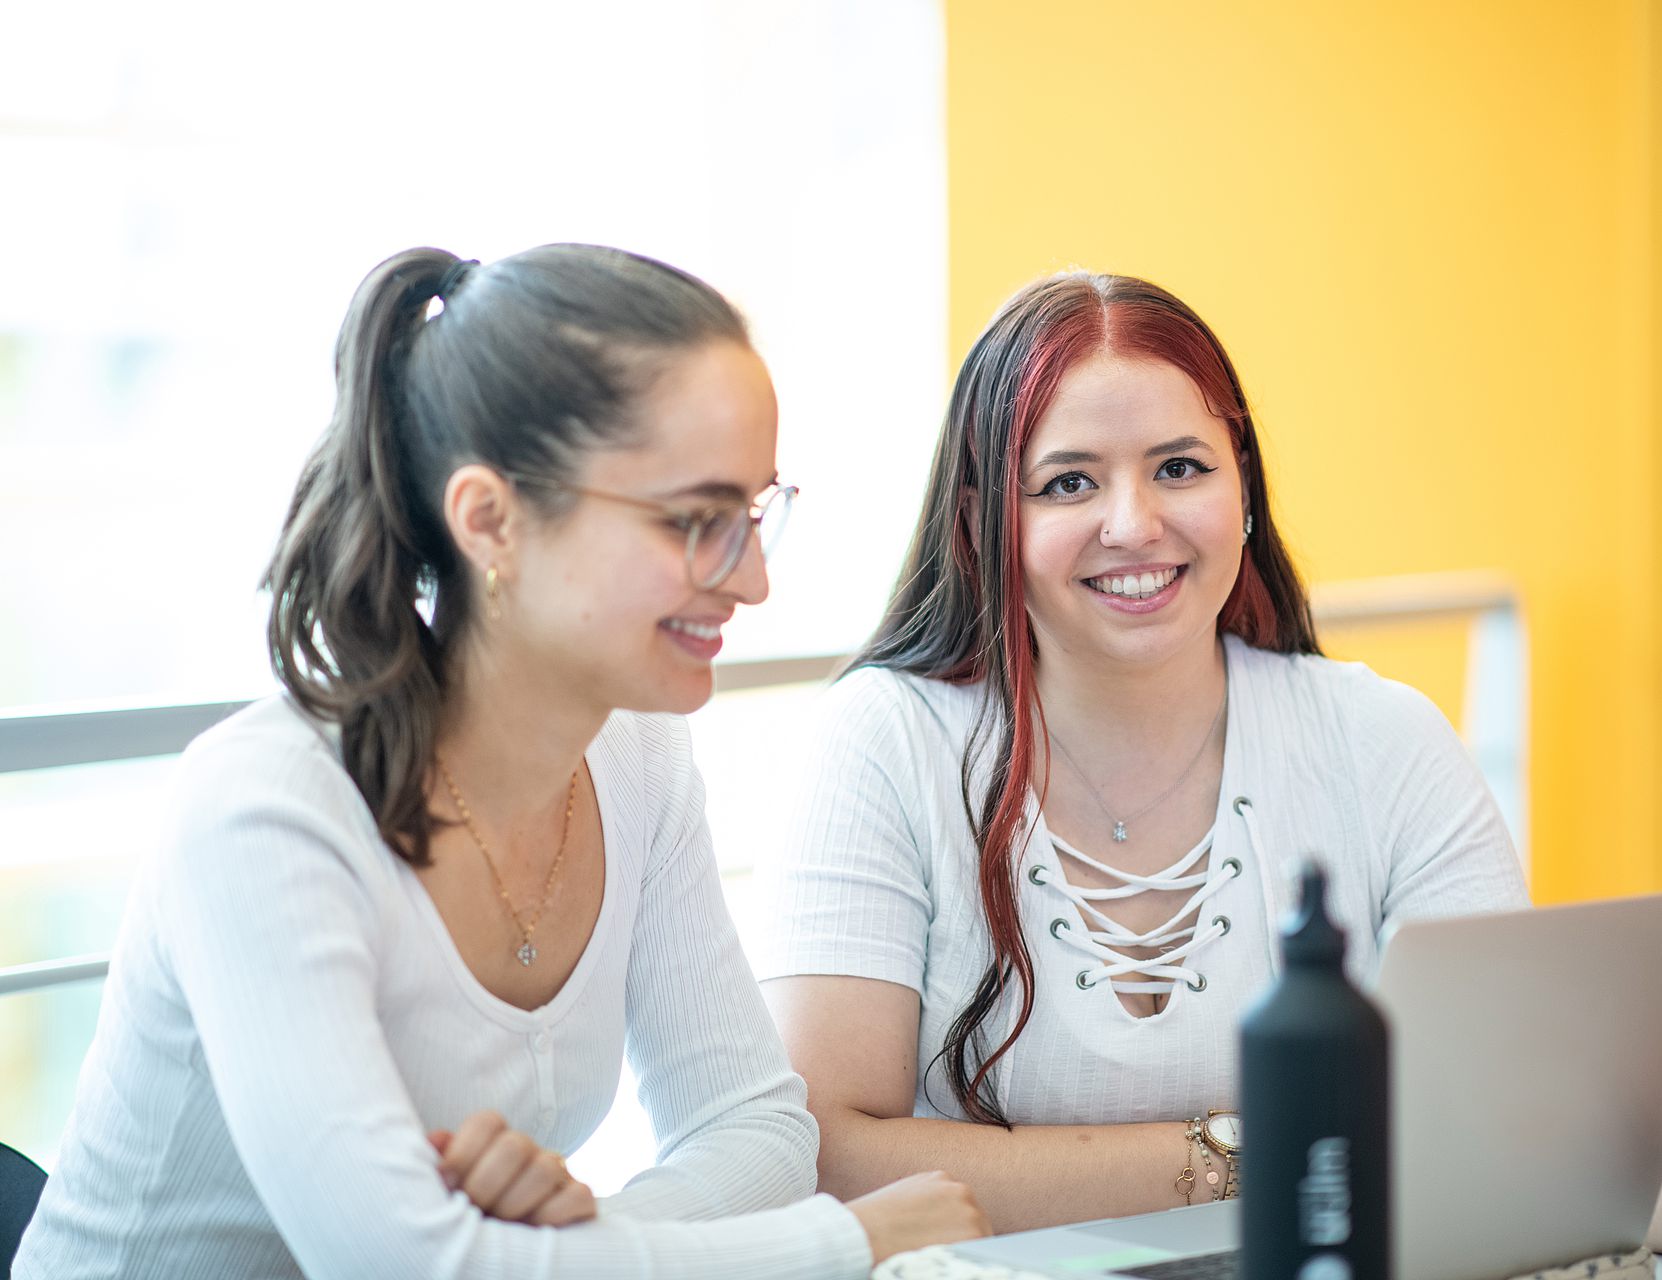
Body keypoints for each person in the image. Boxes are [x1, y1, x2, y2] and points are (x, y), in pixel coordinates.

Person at [761, 271, 1662, 1271]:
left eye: (1180, 467)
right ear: (980, 522)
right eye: (1065, 483)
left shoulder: (1378, 737)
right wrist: (1258, 1148)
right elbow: (832, 1153)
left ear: (1241, 488)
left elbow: (1518, 1104)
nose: (1132, 522)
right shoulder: (883, 742)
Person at [16, 244, 986, 1279]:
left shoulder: (640, 754)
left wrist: (563, 1244)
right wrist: (849, 1238)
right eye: (696, 522)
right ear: (490, 519)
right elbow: (406, 1260)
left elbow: (757, 1126)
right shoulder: (266, 806)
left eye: (752, 516)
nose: (749, 580)